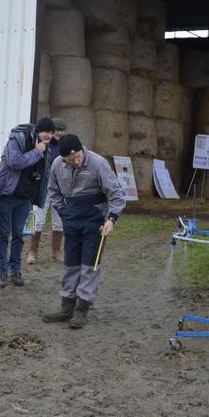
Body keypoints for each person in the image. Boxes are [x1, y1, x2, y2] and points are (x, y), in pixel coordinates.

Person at [42, 134, 126, 329]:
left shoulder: (98, 164)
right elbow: (52, 190)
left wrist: (111, 219)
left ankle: (82, 309)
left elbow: (116, 193)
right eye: (71, 160)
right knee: (71, 263)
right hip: (71, 218)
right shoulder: (56, 165)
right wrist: (63, 211)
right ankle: (66, 307)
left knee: (90, 264)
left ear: (82, 150)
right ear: (63, 159)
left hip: (94, 219)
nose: (76, 162)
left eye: (78, 157)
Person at [0, 117, 55, 287]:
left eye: (51, 132)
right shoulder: (18, 138)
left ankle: (16, 271)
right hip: (6, 193)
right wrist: (37, 151)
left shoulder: (47, 146)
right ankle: (2, 273)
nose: (48, 135)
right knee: (4, 234)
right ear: (37, 130)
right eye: (46, 132)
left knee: (20, 235)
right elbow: (15, 162)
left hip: (25, 197)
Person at [26, 117, 67, 265]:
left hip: (60, 190)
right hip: (43, 188)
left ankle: (56, 252)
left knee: (60, 222)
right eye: (56, 130)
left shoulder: (65, 146)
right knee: (37, 221)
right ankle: (32, 251)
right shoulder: (42, 145)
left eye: (62, 130)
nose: (58, 133)